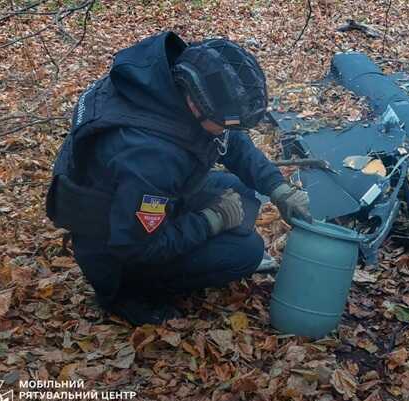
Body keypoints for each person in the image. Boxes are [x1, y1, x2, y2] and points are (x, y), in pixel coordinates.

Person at [46, 31, 312, 325]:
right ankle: (128, 295)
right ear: (197, 106)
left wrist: (277, 187)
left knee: (240, 194)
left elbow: (229, 141)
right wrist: (212, 220)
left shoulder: (165, 80)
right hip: (115, 251)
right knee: (246, 251)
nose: (228, 132)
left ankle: (193, 245)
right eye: (224, 124)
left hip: (129, 200)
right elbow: (137, 247)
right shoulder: (150, 158)